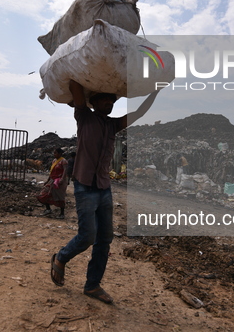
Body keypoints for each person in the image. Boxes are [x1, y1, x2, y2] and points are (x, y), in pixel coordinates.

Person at [49, 80, 160, 304]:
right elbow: (76, 89)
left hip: (104, 188)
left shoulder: (113, 125)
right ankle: (61, 258)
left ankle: (92, 285)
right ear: (95, 102)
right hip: (84, 187)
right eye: (105, 99)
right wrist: (76, 74)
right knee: (87, 236)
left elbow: (139, 113)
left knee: (105, 239)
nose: (109, 103)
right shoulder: (84, 116)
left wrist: (156, 91)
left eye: (112, 100)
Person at [37, 148, 68, 219]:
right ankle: (48, 209)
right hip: (52, 180)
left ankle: (62, 214)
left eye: (56, 153)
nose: (54, 154)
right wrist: (48, 180)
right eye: (54, 153)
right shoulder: (54, 161)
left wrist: (62, 179)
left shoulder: (63, 161)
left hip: (59, 181)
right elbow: (52, 171)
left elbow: (65, 170)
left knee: (60, 196)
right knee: (45, 193)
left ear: (60, 153)